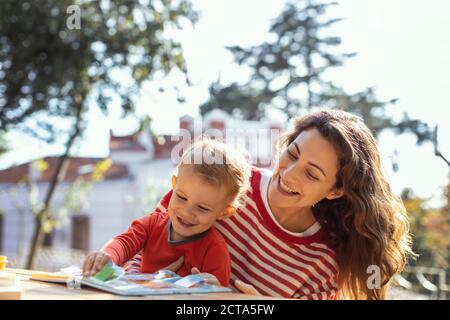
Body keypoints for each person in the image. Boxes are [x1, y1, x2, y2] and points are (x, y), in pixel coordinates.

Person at [124, 110, 415, 299]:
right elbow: (145, 243)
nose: (288, 174)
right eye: (292, 153)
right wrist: (148, 281)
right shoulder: (226, 185)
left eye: (311, 174)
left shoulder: (321, 263)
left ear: (336, 191)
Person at [82, 139, 251, 286]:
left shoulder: (214, 250)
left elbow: (219, 294)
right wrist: (107, 255)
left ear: (224, 212)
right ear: (174, 185)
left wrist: (214, 289)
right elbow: (125, 243)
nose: (187, 212)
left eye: (203, 208)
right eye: (182, 197)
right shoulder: (152, 223)